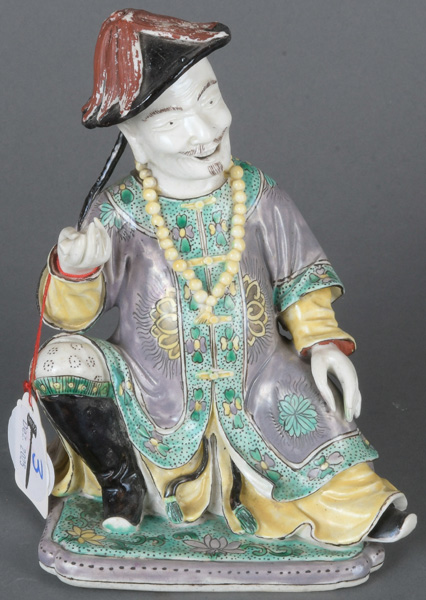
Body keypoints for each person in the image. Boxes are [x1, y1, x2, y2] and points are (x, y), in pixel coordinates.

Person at [33, 8, 415, 546]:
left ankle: (348, 506)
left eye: (209, 99)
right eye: (171, 120)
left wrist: (322, 343)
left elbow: (299, 279)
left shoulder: (258, 197)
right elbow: (67, 317)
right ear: (134, 137)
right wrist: (76, 270)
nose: (206, 130)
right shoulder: (121, 215)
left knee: (316, 426)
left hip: (260, 381)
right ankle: (123, 482)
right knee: (59, 362)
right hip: (153, 396)